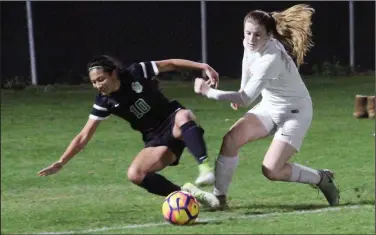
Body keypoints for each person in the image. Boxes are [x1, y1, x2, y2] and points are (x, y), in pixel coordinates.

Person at [192, 4, 340, 209]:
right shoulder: (250, 43)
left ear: (269, 35)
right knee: (231, 139)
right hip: (270, 106)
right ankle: (219, 198)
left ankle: (321, 178)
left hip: (295, 113)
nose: (251, 39)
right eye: (248, 33)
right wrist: (243, 86)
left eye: (257, 35)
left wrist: (208, 92)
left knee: (271, 170)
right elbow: (247, 61)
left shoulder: (271, 59)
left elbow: (246, 99)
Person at [37, 55, 220, 207]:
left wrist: (203, 66)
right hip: (155, 138)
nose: (98, 85)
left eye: (101, 79)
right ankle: (188, 196)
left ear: (113, 73)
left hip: (172, 119)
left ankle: (205, 169)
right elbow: (84, 136)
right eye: (94, 82)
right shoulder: (104, 101)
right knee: (135, 174)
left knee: (184, 116)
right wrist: (61, 162)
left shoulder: (136, 72)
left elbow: (170, 64)